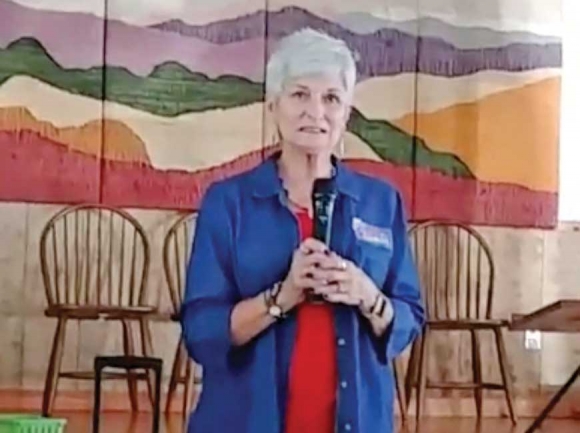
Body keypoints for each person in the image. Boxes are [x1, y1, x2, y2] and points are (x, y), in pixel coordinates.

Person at [180, 28, 425, 433]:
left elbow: (408, 317)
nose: (316, 112)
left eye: (331, 98)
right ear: (273, 105)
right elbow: (202, 332)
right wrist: (280, 298)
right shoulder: (228, 203)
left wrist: (367, 295)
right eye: (299, 95)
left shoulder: (383, 203)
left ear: (347, 111)